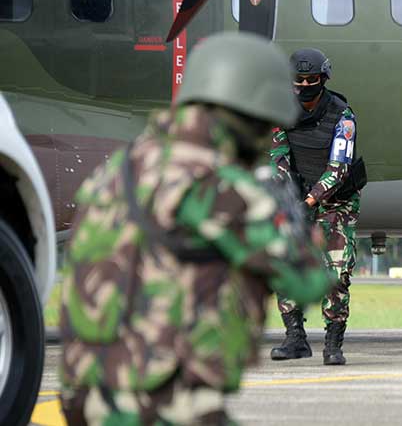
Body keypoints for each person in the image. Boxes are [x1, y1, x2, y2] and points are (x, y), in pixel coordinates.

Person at [59, 32, 332, 424]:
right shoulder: (220, 185)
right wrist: (296, 229)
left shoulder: (119, 169)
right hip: (162, 401)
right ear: (249, 117)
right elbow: (306, 282)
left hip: (85, 393)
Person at [270, 48, 365, 366]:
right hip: (298, 199)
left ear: (323, 79)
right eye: (299, 80)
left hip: (335, 201)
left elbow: (338, 168)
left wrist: (310, 199)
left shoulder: (342, 115)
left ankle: (333, 343)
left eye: (312, 79)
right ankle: (295, 337)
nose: (306, 85)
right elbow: (278, 157)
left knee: (336, 272)